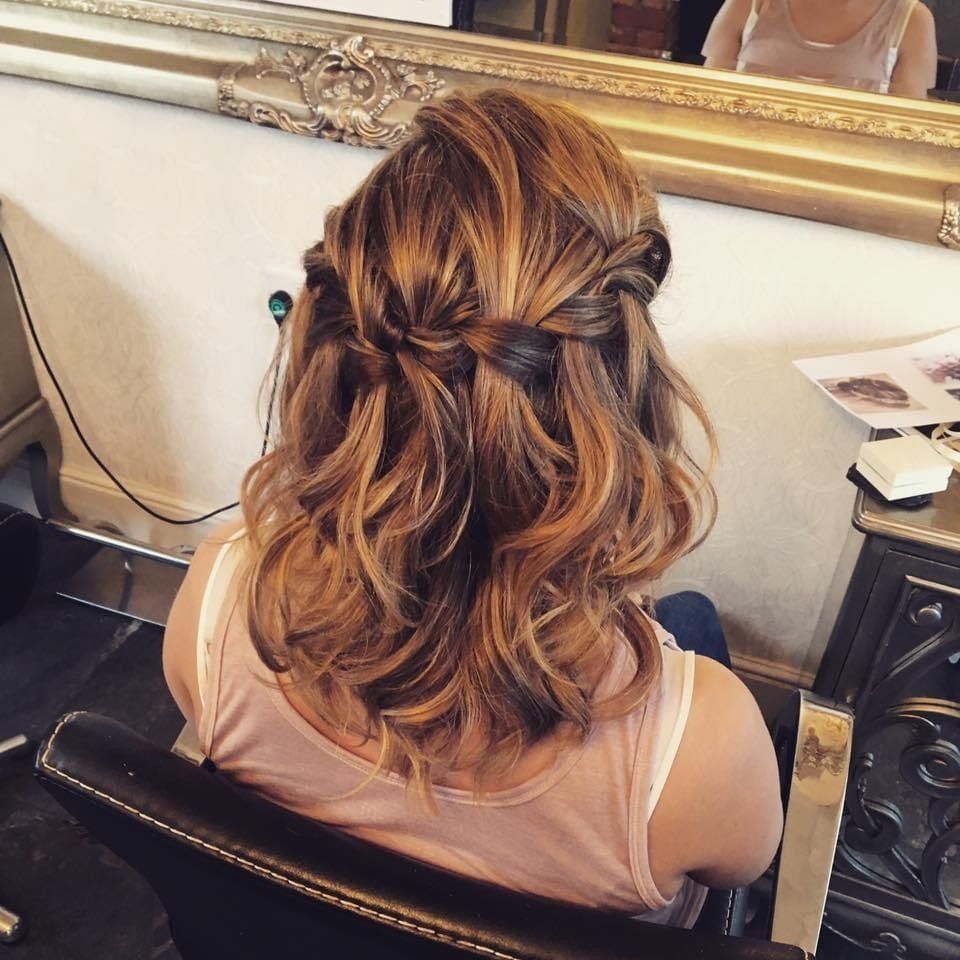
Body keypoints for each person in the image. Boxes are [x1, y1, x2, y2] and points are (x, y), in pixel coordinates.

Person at [163, 89, 782, 926]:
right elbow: (743, 864)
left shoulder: (213, 608)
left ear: (326, 356)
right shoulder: (700, 751)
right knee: (695, 617)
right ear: (618, 399)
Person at [703, 0, 938, 97]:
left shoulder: (913, 20)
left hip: (852, 179)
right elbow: (704, 100)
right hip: (742, 166)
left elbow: (910, 132)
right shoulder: (747, 4)